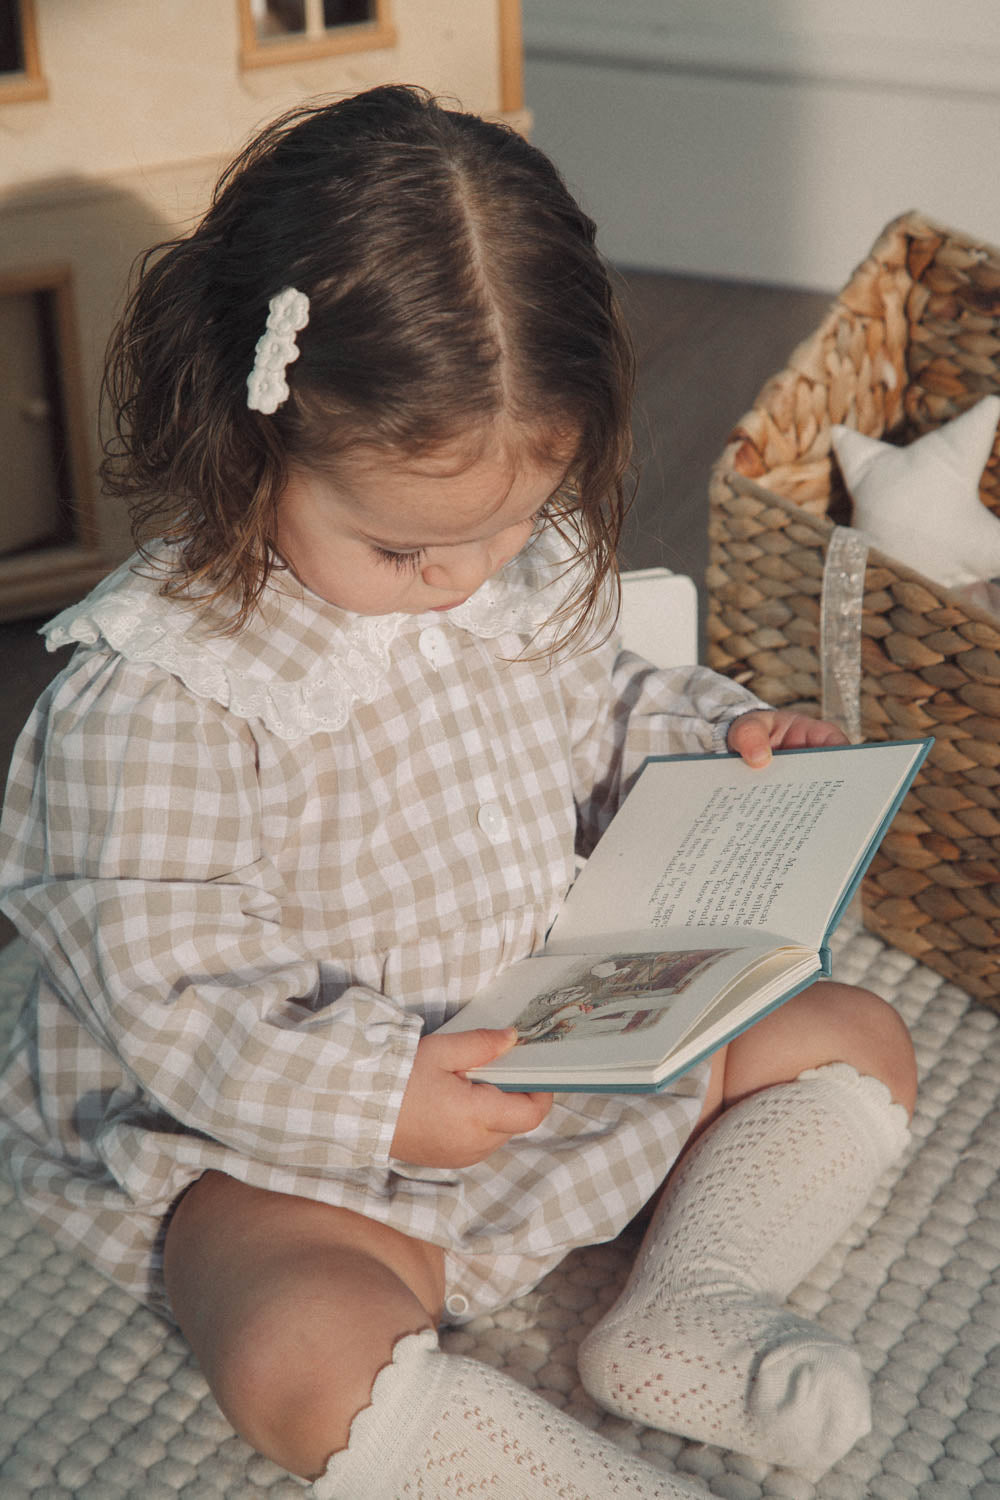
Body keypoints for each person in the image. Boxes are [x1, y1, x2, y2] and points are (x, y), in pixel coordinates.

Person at [0, 85, 916, 1498]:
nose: (465, 576)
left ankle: (687, 1303)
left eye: (504, 526)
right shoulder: (161, 690)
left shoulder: (512, 559)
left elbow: (606, 698)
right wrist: (374, 1097)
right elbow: (171, 984)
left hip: (551, 1044)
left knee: (855, 1033)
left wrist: (728, 739)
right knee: (300, 1345)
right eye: (404, 546)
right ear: (248, 449)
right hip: (294, 1141)